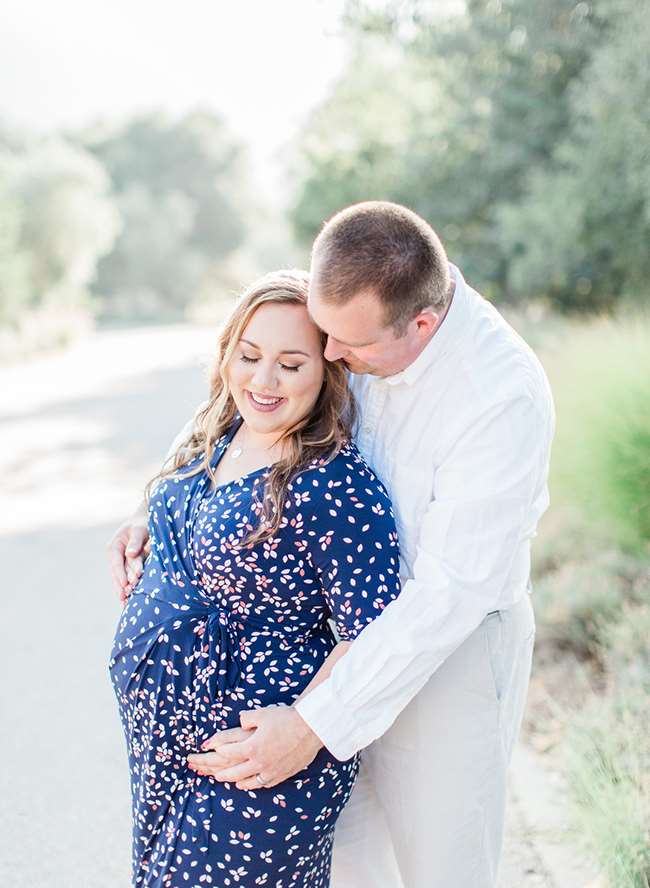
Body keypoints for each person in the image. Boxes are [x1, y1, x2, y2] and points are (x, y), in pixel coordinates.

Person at [111, 201, 555, 888]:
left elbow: (447, 595)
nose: (330, 354)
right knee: (350, 864)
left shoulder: (501, 397)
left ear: (423, 325)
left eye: (348, 347)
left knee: (441, 865)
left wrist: (313, 724)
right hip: (324, 643)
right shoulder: (352, 317)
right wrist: (161, 512)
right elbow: (245, 404)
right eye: (324, 333)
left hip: (446, 654)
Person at [108, 269, 401, 888]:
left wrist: (302, 729)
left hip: (258, 758)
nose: (262, 381)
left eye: (291, 364)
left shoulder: (334, 485)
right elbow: (182, 481)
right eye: (249, 355)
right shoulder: (223, 426)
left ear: (328, 368)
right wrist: (144, 516)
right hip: (165, 747)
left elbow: (373, 635)